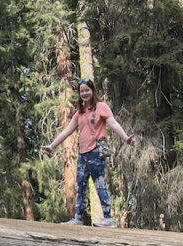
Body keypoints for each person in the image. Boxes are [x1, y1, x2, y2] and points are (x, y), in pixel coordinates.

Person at [42, 78, 134, 226]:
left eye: (87, 90)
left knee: (99, 183)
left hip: (95, 152)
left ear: (92, 91)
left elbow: (113, 123)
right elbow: (66, 132)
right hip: (83, 154)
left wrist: (125, 138)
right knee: (80, 185)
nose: (84, 93)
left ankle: (108, 218)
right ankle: (78, 218)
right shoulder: (79, 113)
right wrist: (51, 146)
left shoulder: (101, 107)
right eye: (81, 91)